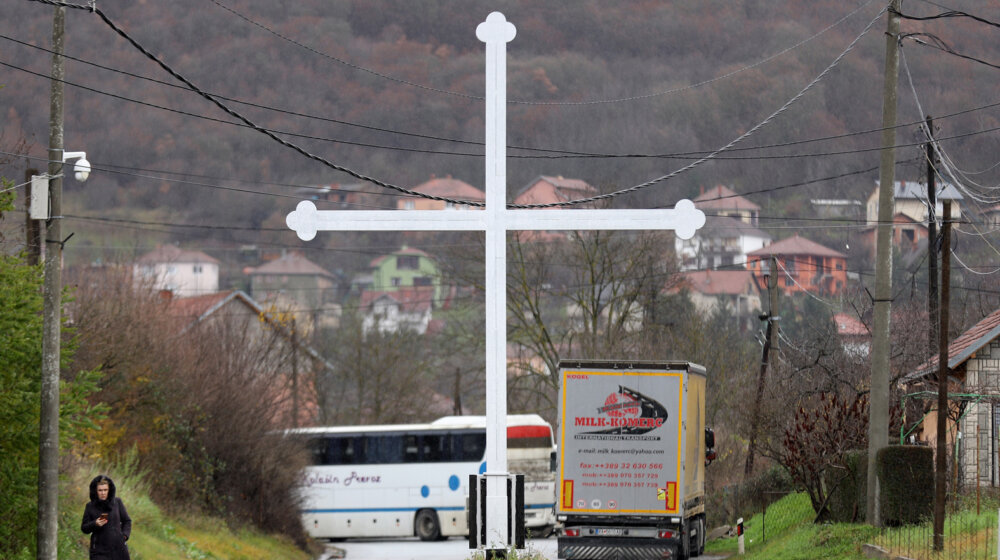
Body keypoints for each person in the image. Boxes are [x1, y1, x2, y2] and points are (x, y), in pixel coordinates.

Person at [81, 475, 132, 560]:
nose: (103, 493)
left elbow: (127, 521)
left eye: (105, 490)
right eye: (100, 490)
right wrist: (95, 523)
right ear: (95, 491)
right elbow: (84, 528)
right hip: (99, 551)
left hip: (119, 549)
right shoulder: (90, 506)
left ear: (109, 490)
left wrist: (124, 536)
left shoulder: (117, 502)